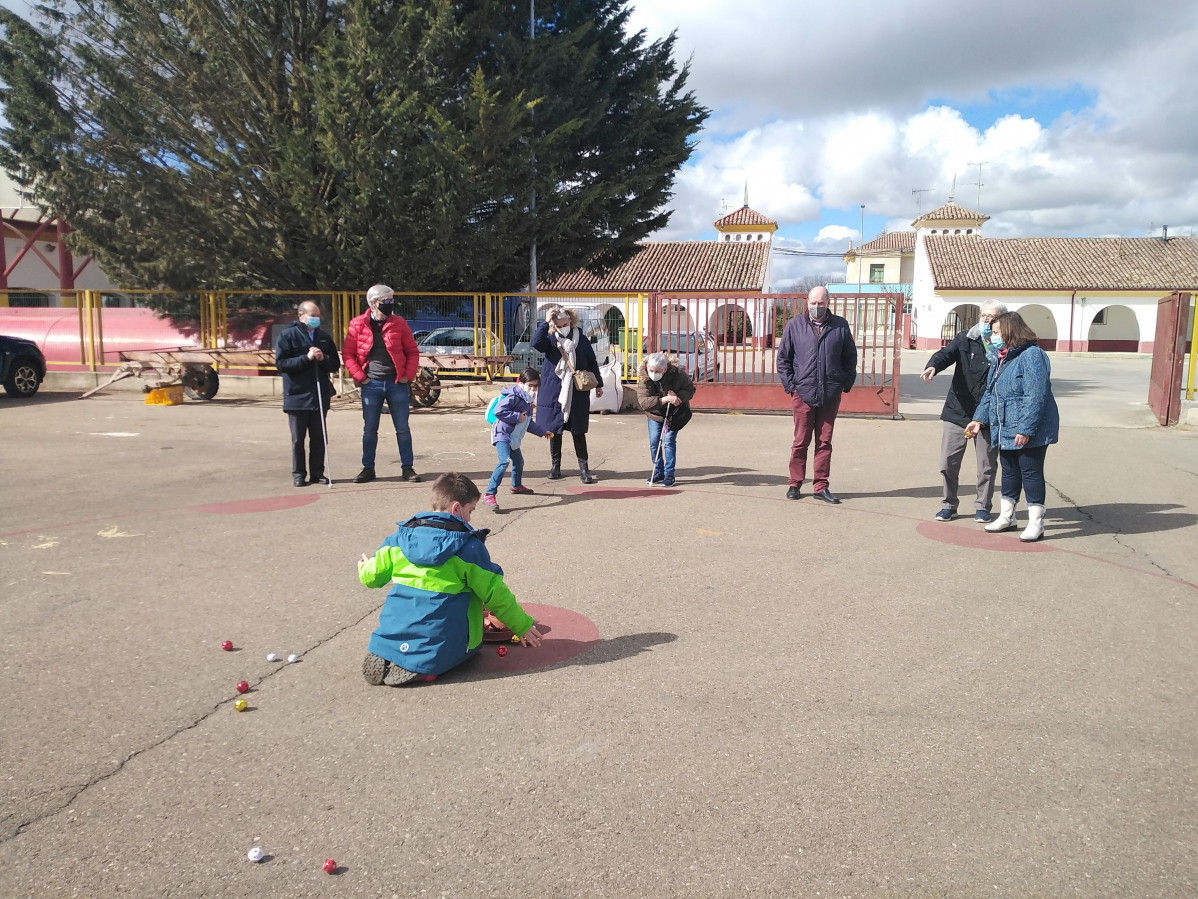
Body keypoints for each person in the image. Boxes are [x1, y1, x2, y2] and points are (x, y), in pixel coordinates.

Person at [359, 472, 543, 686]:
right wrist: (521, 625)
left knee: (410, 605)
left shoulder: (399, 538)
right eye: (470, 510)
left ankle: (388, 649)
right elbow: (495, 593)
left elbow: (372, 577)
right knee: (471, 618)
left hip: (393, 632)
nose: (471, 518)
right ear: (456, 508)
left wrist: (364, 568)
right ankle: (427, 667)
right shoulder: (468, 547)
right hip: (440, 643)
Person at [965, 311, 1060, 542]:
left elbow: (1035, 395)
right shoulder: (1001, 357)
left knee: (1030, 472)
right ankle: (1008, 516)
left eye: (996, 332)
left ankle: (1036, 522)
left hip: (1029, 428)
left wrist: (1026, 429)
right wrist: (978, 420)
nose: (993, 337)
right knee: (1009, 472)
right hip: (1004, 424)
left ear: (1010, 331)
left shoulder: (1032, 355)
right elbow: (991, 393)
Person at [920, 301, 1007, 522]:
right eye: (984, 315)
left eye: (992, 317)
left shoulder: (1004, 345)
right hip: (958, 409)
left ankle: (982, 506)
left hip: (987, 413)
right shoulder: (966, 338)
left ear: (1002, 320)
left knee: (986, 466)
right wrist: (933, 366)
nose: (986, 320)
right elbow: (945, 354)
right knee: (947, 462)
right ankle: (948, 505)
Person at [776, 286, 858, 504]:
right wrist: (791, 386)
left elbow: (850, 357)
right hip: (802, 393)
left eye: (820, 303)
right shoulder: (794, 326)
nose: (816, 307)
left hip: (830, 393)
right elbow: (783, 359)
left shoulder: (840, 326)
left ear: (828, 303)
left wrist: (845, 383)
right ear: (807, 302)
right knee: (800, 441)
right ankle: (795, 483)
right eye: (813, 303)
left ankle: (820, 486)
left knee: (824, 442)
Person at [342, 284, 421, 484]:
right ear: (374, 302)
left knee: (402, 428)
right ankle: (368, 468)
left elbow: (412, 351)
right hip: (371, 384)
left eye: (391, 299)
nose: (391, 303)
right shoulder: (357, 324)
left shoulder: (399, 323)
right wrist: (362, 378)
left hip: (397, 384)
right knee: (370, 429)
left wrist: (407, 376)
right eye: (387, 300)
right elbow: (348, 355)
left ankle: (407, 468)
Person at [532, 305, 605, 484]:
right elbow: (535, 343)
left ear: (571, 321)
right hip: (554, 390)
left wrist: (599, 384)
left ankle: (584, 469)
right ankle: (555, 467)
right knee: (554, 430)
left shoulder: (582, 339)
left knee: (578, 430)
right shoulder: (549, 338)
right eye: (557, 324)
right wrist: (545, 322)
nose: (562, 326)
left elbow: (592, 361)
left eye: (564, 323)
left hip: (577, 391)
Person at [274, 301, 341, 487]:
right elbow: (282, 364)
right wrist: (306, 358)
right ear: (301, 316)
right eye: (313, 315)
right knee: (298, 439)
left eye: (318, 315)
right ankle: (299, 474)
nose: (316, 319)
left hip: (319, 394)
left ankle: (317, 473)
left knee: (319, 437)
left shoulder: (324, 338)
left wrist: (322, 358)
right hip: (297, 395)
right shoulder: (287, 336)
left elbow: (334, 363)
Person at [482, 368, 554, 511]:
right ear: (521, 383)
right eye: (530, 385)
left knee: (519, 461)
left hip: (514, 436)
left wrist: (542, 432)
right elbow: (498, 411)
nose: (533, 389)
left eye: (535, 386)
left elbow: (527, 422)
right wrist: (516, 417)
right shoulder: (514, 396)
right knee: (504, 461)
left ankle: (516, 485)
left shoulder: (528, 399)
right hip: (503, 434)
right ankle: (489, 494)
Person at [636, 351, 695, 486]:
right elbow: (644, 402)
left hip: (674, 414)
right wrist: (666, 399)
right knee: (654, 442)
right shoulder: (644, 377)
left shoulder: (678, 374)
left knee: (668, 441)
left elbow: (690, 390)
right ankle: (658, 471)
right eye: (652, 370)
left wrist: (678, 397)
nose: (654, 373)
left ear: (665, 369)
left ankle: (669, 474)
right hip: (655, 414)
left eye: (658, 371)